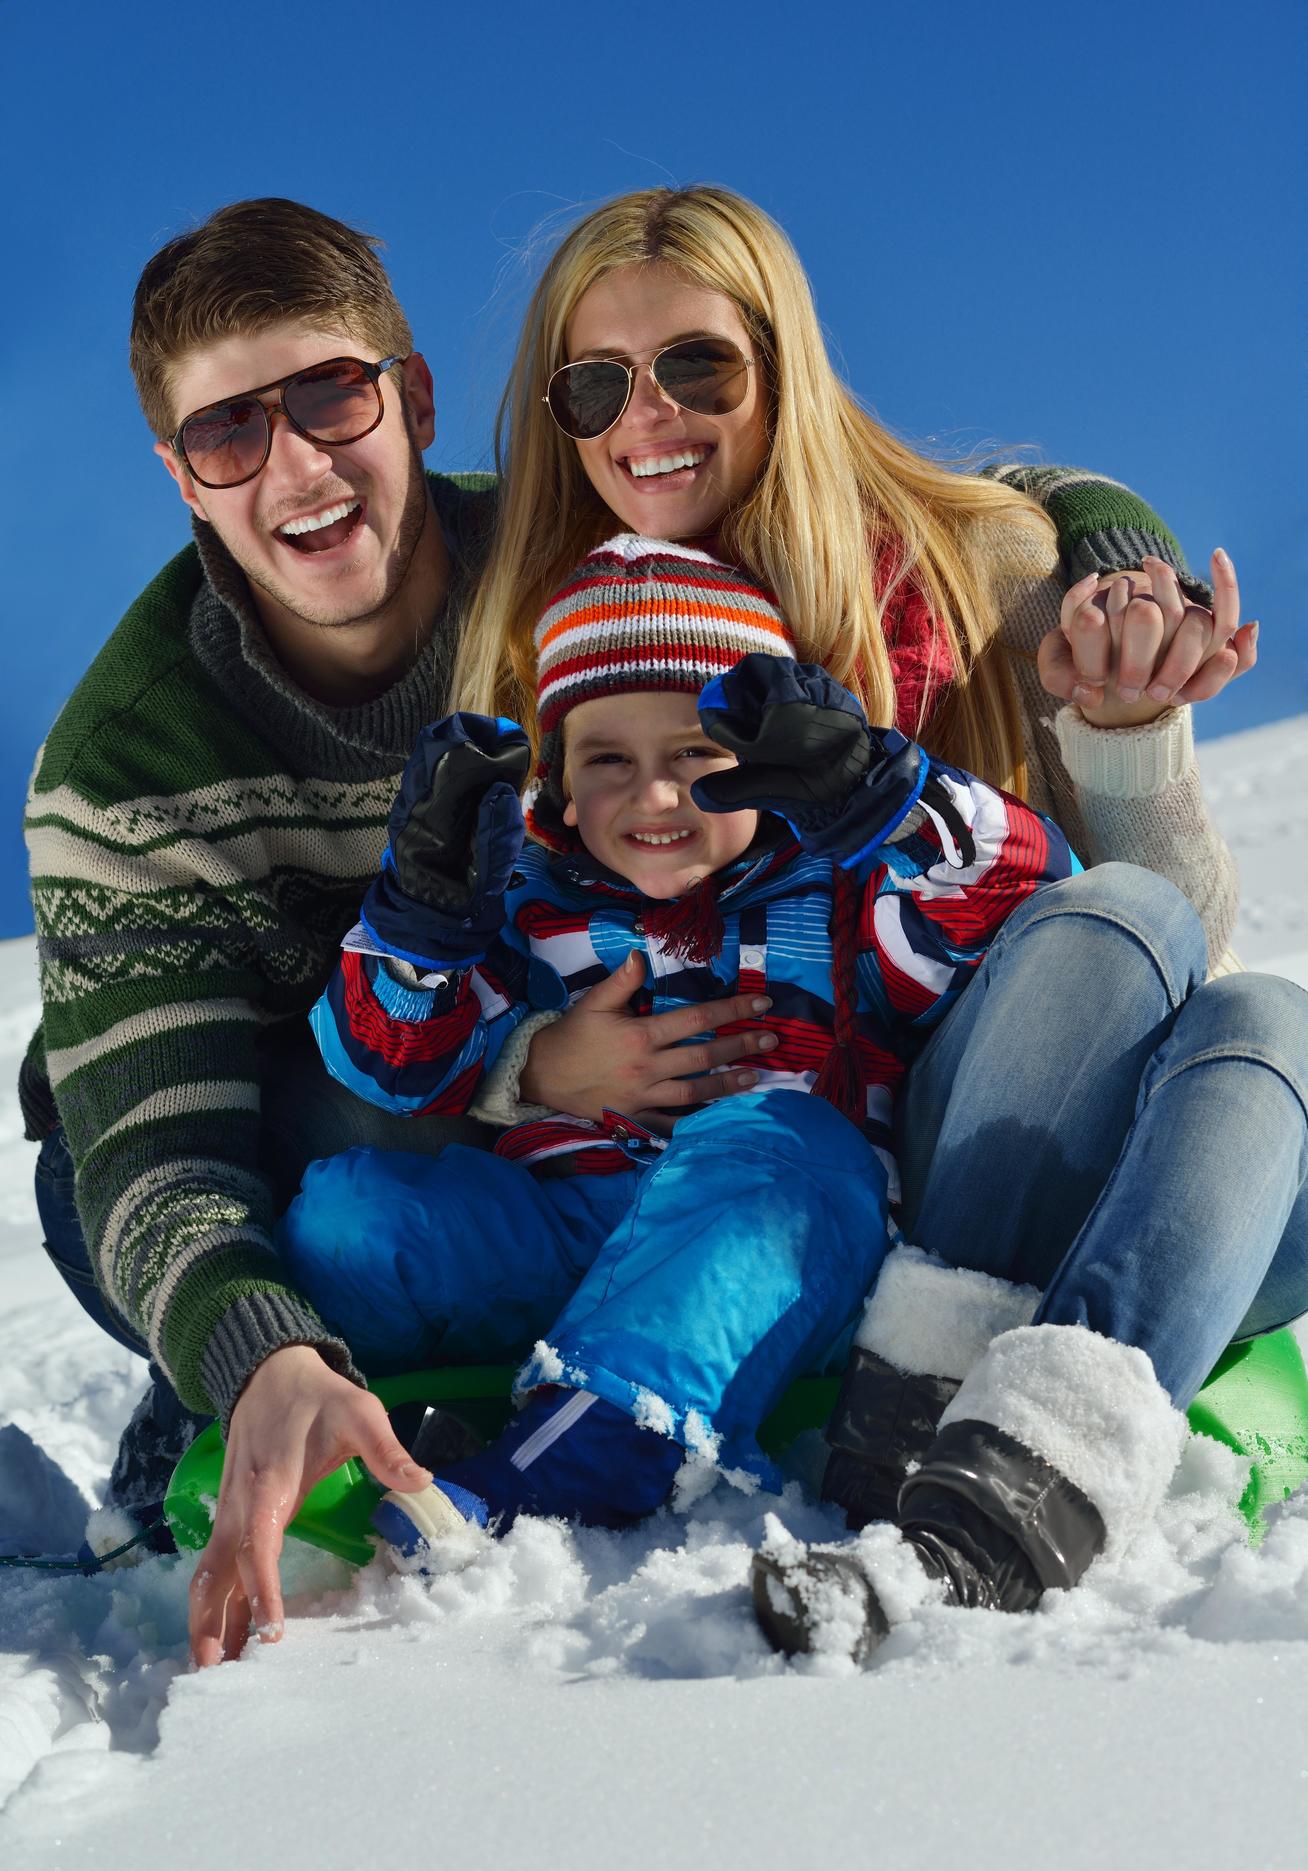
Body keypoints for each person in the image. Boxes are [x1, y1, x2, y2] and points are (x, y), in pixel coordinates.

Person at [16, 184, 1270, 1666]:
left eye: (332, 397)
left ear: (410, 399)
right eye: (232, 430)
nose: (296, 462)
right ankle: (284, 1370)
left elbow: (1025, 835)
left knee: (831, 1141)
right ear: (182, 473)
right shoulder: (153, 762)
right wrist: (279, 1310)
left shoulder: (632, 614)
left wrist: (1062, 610)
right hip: (427, 1135)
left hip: (790, 1156)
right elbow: (183, 1133)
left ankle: (615, 1416)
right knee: (274, 1187)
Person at [429, 184, 1307, 1656]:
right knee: (1156, 949)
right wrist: (529, 1068)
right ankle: (960, 1438)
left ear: (785, 367)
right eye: (596, 384)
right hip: (832, 1186)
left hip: (1030, 1094)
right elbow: (472, 939)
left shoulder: (972, 580)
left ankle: (982, 1438)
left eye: (700, 366)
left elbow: (1174, 942)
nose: (649, 417)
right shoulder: (555, 629)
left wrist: (1129, 732)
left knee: (1257, 1015)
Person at [276, 534, 1075, 1549]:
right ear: (557, 780)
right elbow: (391, 1060)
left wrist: (885, 799)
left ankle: (594, 1450)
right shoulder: (526, 905)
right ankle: (363, 1406)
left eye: (698, 758)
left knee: (788, 1138)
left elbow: (1016, 898)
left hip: (776, 1250)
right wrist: (424, 916)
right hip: (567, 1235)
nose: (656, 797)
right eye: (609, 761)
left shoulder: (839, 896)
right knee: (346, 1213)